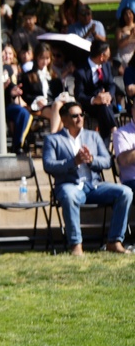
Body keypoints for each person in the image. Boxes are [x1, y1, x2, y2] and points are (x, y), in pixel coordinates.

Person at [44, 103, 132, 256]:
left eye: (81, 114)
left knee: (125, 192)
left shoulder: (93, 136)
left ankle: (114, 241)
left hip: (93, 185)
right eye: (75, 116)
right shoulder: (53, 140)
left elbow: (107, 161)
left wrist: (91, 160)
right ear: (64, 119)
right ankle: (76, 245)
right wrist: (74, 162)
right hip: (69, 184)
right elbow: (49, 165)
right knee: (69, 196)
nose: (80, 118)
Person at [72, 39, 117, 142]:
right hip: (90, 105)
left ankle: (111, 135)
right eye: (107, 55)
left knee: (104, 107)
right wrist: (94, 100)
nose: (109, 57)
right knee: (103, 107)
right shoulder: (81, 71)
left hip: (107, 103)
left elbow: (111, 84)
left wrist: (108, 95)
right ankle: (114, 130)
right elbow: (79, 95)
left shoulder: (106, 65)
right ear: (101, 56)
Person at [22, 43, 68, 134]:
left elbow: (59, 94)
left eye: (47, 58)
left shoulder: (54, 76)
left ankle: (54, 135)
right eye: (41, 58)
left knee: (59, 106)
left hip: (53, 104)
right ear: (36, 58)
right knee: (61, 115)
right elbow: (25, 95)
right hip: (40, 107)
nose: (44, 61)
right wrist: (36, 99)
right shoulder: (29, 76)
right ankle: (56, 136)